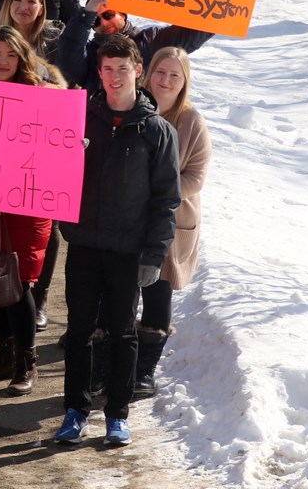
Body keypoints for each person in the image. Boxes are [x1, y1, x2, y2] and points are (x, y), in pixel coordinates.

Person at [54, 35, 181, 446]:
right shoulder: (80, 119)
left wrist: (154, 254)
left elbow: (166, 200)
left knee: (123, 332)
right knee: (78, 330)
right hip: (85, 245)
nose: (113, 77)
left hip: (128, 250)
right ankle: (75, 409)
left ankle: (117, 415)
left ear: (138, 71)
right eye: (106, 69)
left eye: (121, 69)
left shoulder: (157, 131)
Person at [0, 26, 65, 396]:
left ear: (23, 57)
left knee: (19, 279)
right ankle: (4, 353)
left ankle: (27, 362)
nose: (3, 61)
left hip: (29, 203)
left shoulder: (43, 96)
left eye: (11, 54)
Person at [0, 0, 67, 329]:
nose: (24, 6)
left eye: (31, 0)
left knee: (40, 243)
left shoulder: (54, 41)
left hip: (34, 171)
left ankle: (34, 310)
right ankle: (5, 344)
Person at [135, 46, 212, 398]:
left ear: (184, 82)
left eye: (174, 75)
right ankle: (110, 361)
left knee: (157, 291)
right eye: (160, 72)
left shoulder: (190, 121)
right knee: (118, 290)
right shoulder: (133, 107)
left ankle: (144, 370)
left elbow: (196, 176)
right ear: (148, 73)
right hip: (127, 217)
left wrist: (159, 191)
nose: (165, 80)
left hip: (170, 218)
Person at [56, 0, 214, 95]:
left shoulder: (151, 41)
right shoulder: (90, 55)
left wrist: (222, 5)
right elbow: (67, 59)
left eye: (109, 15)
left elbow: (193, 33)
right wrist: (86, 15)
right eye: (95, 21)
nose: (104, 23)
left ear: (123, 14)